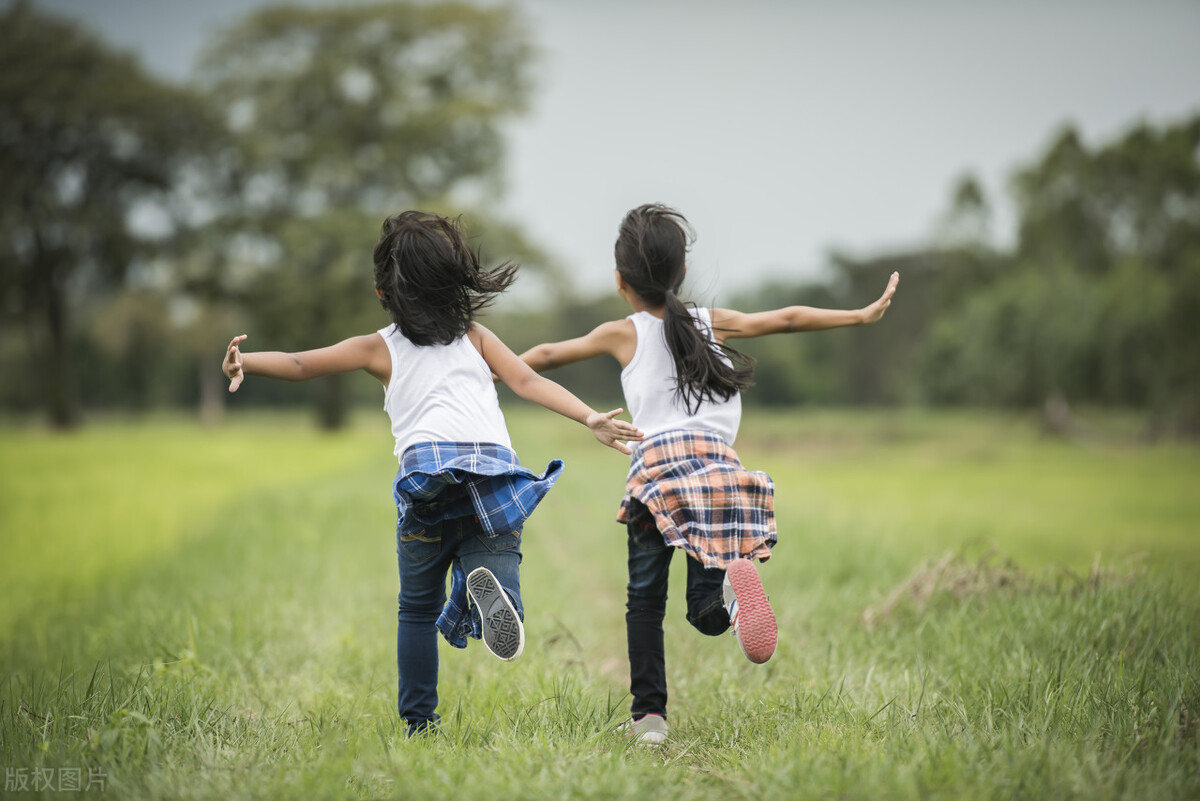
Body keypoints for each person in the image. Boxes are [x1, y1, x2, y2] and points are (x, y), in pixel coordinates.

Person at [221, 210, 642, 736]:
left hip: (427, 473)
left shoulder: (380, 347)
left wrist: (247, 362)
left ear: (382, 293)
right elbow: (529, 382)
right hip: (490, 469)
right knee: (495, 545)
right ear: (454, 286)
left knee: (417, 609)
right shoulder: (475, 337)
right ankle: (494, 590)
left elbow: (304, 363)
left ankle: (419, 722)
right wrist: (589, 417)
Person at [519, 203, 898, 745]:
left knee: (644, 601)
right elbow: (786, 318)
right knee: (703, 605)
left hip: (657, 477)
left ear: (621, 281)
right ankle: (731, 600)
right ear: (683, 273)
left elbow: (547, 355)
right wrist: (859, 315)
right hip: (719, 472)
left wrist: (480, 363)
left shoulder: (621, 332)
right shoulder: (711, 322)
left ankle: (650, 720)